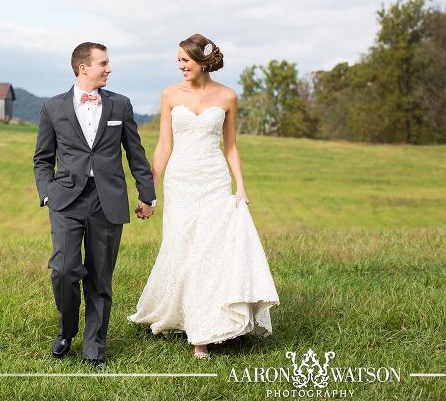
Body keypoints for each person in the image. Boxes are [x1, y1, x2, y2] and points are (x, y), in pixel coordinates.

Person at [128, 33, 279, 360]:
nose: (180, 65)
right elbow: (164, 145)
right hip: (180, 182)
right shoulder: (170, 94)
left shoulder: (227, 96)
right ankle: (181, 315)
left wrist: (241, 186)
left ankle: (203, 333)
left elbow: (231, 146)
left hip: (214, 181)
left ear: (202, 61)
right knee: (181, 247)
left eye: (185, 60)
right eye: (179, 60)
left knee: (208, 254)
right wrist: (148, 190)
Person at [33, 42, 157, 367]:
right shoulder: (52, 107)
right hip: (66, 199)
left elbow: (136, 154)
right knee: (63, 269)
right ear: (83, 67)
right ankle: (66, 329)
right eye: (103, 63)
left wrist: (147, 194)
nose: (108, 68)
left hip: (108, 200)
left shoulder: (121, 105)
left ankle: (94, 347)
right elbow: (43, 158)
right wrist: (47, 193)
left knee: (101, 277)